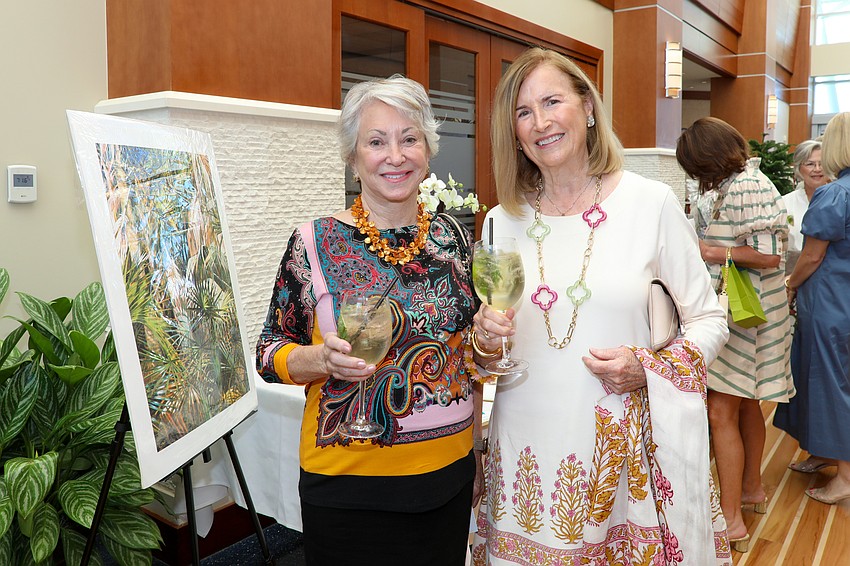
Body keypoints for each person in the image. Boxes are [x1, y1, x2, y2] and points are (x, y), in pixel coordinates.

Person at [469, 47, 730, 564]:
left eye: (551, 101)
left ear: (587, 107)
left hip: (620, 449)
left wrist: (650, 367)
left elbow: (709, 318)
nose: (540, 122)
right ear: (514, 133)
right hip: (525, 447)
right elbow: (488, 356)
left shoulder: (649, 204)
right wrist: (483, 339)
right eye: (523, 112)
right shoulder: (500, 220)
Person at [256, 75, 482, 565]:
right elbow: (268, 350)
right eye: (376, 141)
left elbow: (469, 353)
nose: (395, 156)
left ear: (427, 150)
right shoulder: (312, 242)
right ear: (353, 156)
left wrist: (478, 451)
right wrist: (318, 359)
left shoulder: (454, 239)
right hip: (348, 488)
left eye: (409, 138)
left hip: (447, 478)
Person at [676, 117, 793, 551]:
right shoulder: (744, 181)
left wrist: (706, 249)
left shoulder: (746, 186)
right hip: (756, 313)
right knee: (746, 408)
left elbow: (767, 256)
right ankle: (752, 491)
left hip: (747, 317)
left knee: (720, 413)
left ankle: (731, 522)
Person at [775, 112, 850, 504]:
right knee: (827, 377)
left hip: (828, 303)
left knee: (828, 383)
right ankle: (823, 450)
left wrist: (790, 285)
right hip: (844, 300)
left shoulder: (833, 194)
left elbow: (811, 257)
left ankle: (845, 477)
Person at [783, 139, 828, 274]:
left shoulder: (840, 200)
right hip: (791, 272)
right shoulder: (784, 202)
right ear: (798, 168)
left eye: (822, 164)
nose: (817, 169)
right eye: (810, 164)